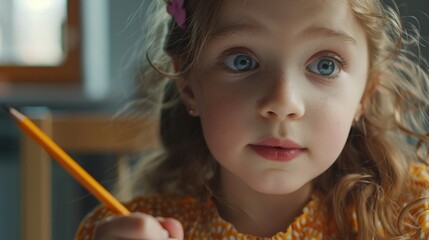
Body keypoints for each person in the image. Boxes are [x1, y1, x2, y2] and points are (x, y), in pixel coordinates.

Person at [75, 0, 429, 239]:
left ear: (364, 94)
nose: (282, 102)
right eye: (242, 61)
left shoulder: (415, 218)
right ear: (188, 85)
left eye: (325, 65)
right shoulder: (124, 229)